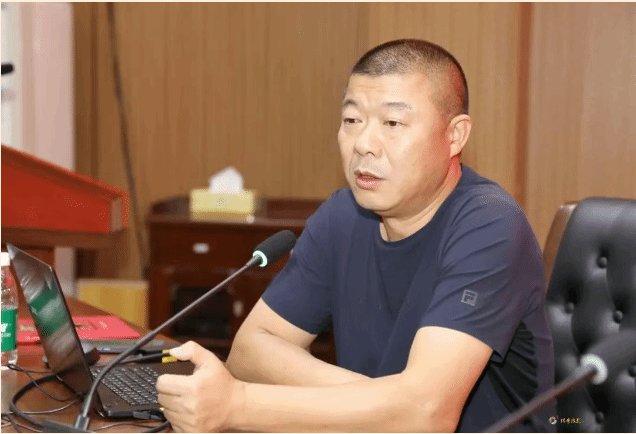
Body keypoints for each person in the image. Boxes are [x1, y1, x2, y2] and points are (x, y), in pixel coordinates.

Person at [156, 39, 555, 433]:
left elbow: (427, 416)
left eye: (392, 123)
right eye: (352, 120)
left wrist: (238, 405)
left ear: (455, 136)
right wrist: (388, 403)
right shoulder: (343, 215)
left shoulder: (491, 225)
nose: (363, 144)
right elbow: (249, 352)